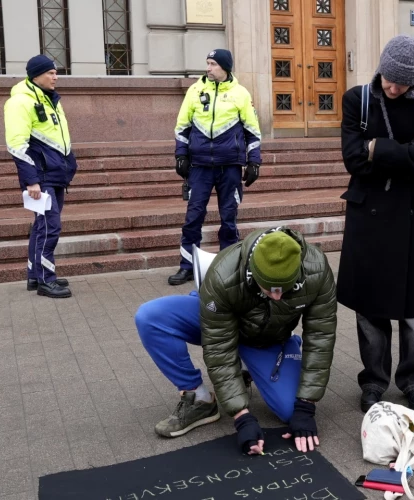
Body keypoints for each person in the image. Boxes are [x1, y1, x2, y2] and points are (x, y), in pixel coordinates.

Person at [135, 227, 336, 455]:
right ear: (253, 271)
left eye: (285, 289)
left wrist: (306, 405)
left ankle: (280, 350)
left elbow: (321, 336)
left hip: (266, 338)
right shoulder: (224, 272)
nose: (278, 296)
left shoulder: (316, 270)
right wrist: (242, 416)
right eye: (270, 288)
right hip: (219, 321)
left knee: (291, 411)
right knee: (150, 317)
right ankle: (199, 399)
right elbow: (219, 348)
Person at [338, 34, 414, 414]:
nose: (394, 87)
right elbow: (353, 159)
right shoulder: (357, 100)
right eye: (389, 79)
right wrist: (407, 150)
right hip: (370, 214)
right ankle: (373, 381)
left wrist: (376, 147)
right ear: (381, 68)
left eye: (403, 82)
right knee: (371, 307)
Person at [168, 49, 262, 286]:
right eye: (207, 63)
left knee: (228, 219)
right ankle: (187, 266)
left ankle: (227, 268)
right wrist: (181, 156)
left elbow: (252, 131)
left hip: (229, 167)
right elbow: (182, 127)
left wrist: (254, 162)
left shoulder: (240, 94)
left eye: (212, 64)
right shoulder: (195, 90)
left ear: (225, 67)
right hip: (199, 167)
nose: (208, 68)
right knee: (193, 217)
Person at [4, 55, 78, 299]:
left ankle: (36, 276)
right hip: (41, 177)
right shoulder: (20, 102)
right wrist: (31, 180)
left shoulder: (49, 98)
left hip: (55, 173)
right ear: (36, 75)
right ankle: (47, 280)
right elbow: (17, 145)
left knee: (42, 227)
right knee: (50, 227)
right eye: (50, 73)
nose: (55, 77)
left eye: (56, 72)